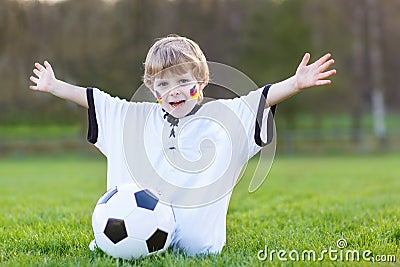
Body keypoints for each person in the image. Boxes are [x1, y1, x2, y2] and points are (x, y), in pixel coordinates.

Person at [29, 35, 336, 255]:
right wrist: (55, 86)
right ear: (152, 89)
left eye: (181, 81)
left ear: (200, 81)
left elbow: (260, 99)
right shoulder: (133, 118)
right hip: (130, 247)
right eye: (163, 84)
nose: (173, 91)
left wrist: (295, 84)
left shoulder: (222, 119)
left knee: (196, 246)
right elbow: (97, 100)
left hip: (198, 248)